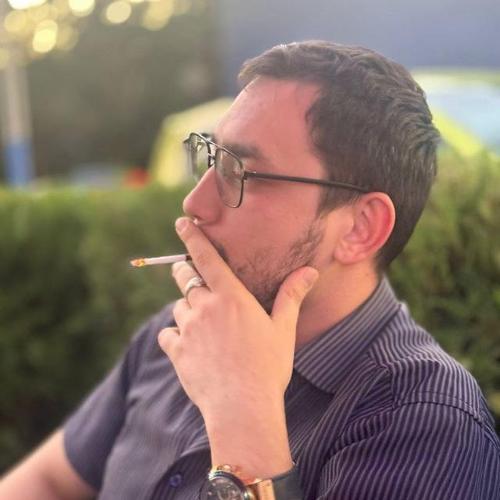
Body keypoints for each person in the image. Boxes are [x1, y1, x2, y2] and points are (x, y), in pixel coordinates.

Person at [1, 41, 499, 500]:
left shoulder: (425, 421)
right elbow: (49, 480)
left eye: (242, 172)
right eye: (212, 159)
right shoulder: (178, 333)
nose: (194, 203)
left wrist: (240, 413)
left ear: (360, 228)